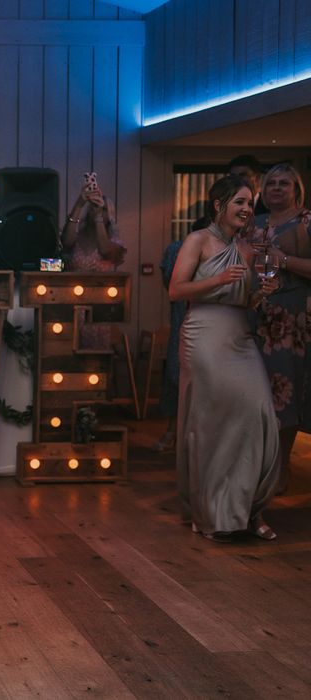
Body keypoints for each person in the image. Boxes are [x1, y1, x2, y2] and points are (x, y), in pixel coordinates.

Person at [169, 175, 281, 543]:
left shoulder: (247, 249)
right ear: (219, 204)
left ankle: (250, 509)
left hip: (239, 337)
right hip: (203, 335)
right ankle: (212, 513)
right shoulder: (198, 240)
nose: (248, 210)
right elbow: (176, 290)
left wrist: (260, 293)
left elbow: (244, 300)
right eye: (240, 202)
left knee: (260, 413)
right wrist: (217, 280)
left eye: (250, 204)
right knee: (212, 422)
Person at [250, 163, 311, 491]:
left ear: (296, 189)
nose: (276, 188)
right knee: (256, 389)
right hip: (254, 315)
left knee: (284, 390)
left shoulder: (306, 222)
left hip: (289, 318)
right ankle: (258, 463)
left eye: (283, 183)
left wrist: (283, 260)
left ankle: (283, 462)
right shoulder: (252, 222)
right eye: (270, 183)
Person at [154, 217, 209, 451]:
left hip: (213, 319)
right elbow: (170, 285)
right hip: (183, 318)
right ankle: (172, 430)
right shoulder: (177, 249)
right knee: (177, 375)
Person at [62, 180, 126, 272]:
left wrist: (98, 216)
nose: (97, 209)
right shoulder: (78, 236)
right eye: (93, 206)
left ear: (109, 215)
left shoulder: (113, 239)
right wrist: (79, 204)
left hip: (101, 285)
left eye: (103, 209)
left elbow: (105, 251)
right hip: (74, 284)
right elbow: (66, 241)